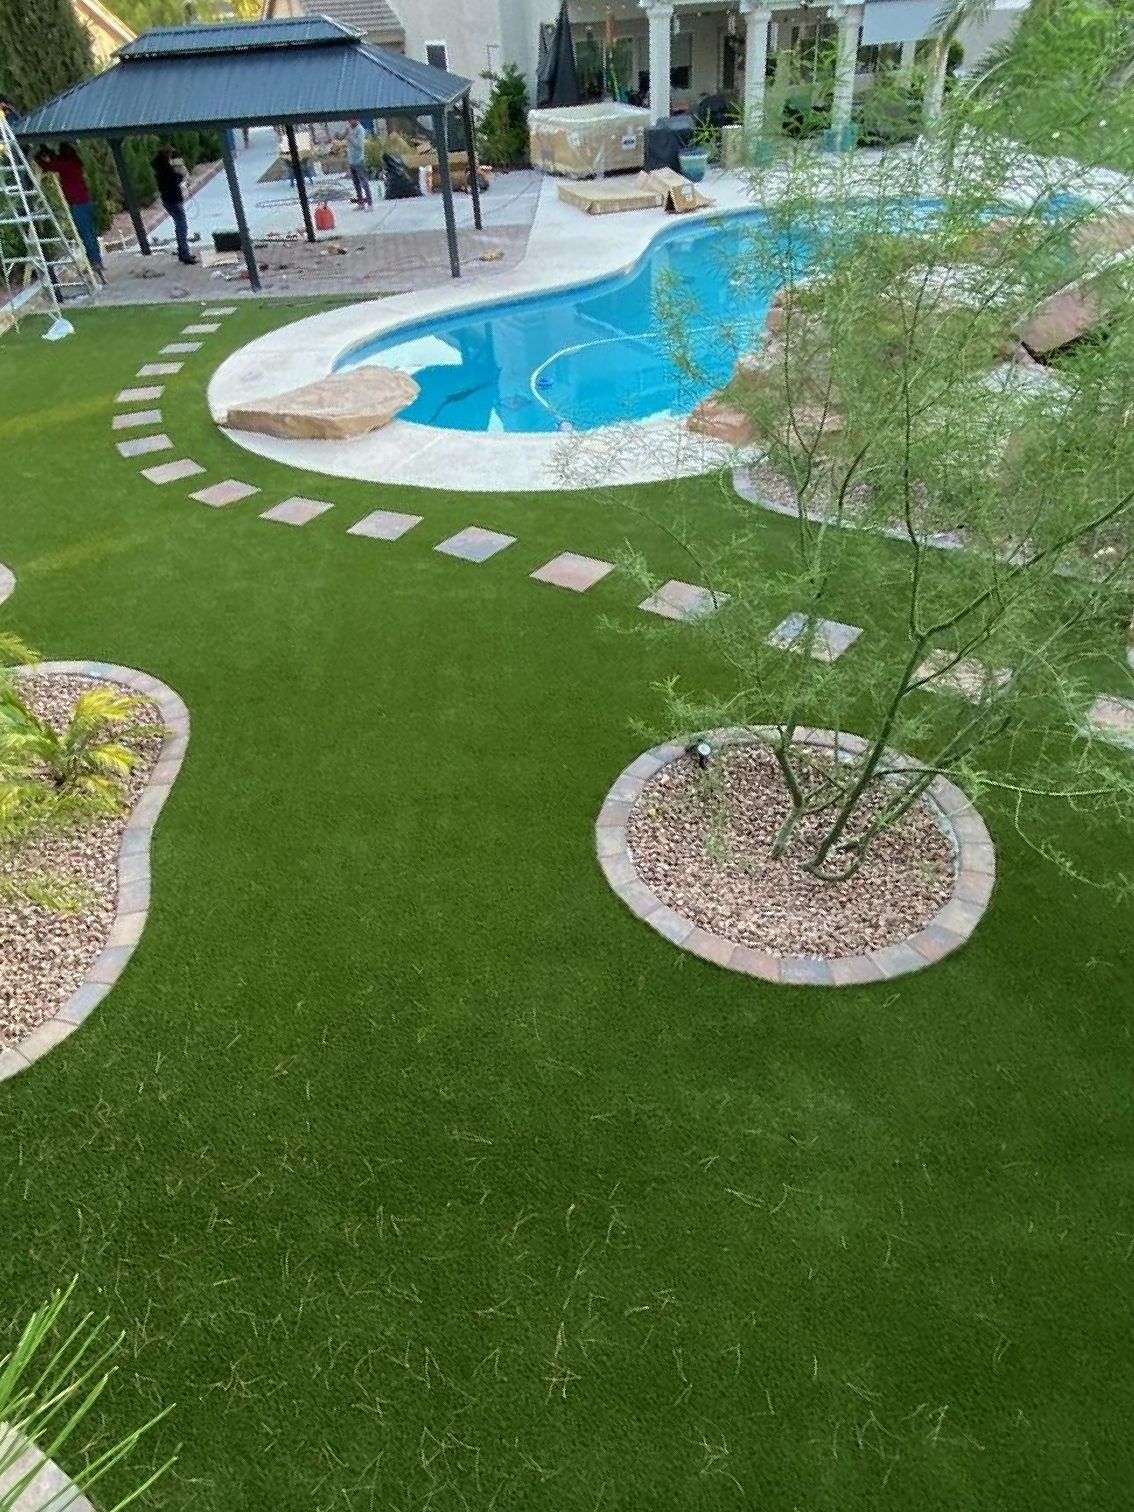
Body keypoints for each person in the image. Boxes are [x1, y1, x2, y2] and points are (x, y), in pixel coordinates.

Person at [35, 142, 106, 282]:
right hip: (86, 201)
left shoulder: (65, 165)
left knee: (86, 234)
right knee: (91, 232)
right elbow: (56, 162)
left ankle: (95, 262)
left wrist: (38, 155)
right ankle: (97, 260)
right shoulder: (74, 162)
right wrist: (48, 152)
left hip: (77, 204)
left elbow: (49, 166)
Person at [152, 144, 197, 265]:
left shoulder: (160, 167)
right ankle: (184, 254)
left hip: (168, 200)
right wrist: (180, 175)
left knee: (179, 226)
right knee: (182, 227)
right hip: (173, 200)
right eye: (169, 153)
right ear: (166, 154)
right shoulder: (165, 168)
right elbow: (172, 181)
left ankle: (183, 253)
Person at [343, 118, 372, 210]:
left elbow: (359, 146)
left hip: (359, 160)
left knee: (364, 182)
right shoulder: (350, 129)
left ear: (356, 120)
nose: (349, 122)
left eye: (351, 120)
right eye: (348, 120)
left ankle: (370, 204)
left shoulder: (360, 130)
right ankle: (361, 203)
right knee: (356, 183)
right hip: (352, 161)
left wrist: (349, 138)